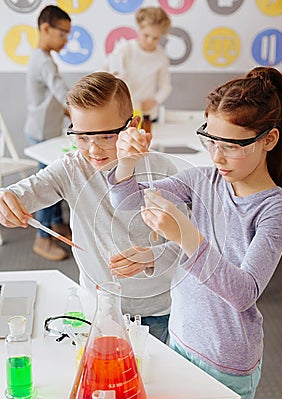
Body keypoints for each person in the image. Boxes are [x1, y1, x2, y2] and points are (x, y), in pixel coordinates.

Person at [108, 66, 282, 399]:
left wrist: (186, 235)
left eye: (231, 145)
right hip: (180, 342)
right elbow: (128, 199)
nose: (217, 156)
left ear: (269, 139)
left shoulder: (276, 209)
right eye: (210, 140)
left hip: (228, 363)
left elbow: (244, 292)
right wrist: (125, 160)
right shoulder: (202, 179)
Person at [0, 71, 181, 343]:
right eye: (82, 137)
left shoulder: (162, 171)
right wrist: (6, 198)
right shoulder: (73, 168)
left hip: (157, 310)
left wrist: (151, 256)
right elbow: (26, 192)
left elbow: (188, 244)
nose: (94, 150)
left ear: (132, 125)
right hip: (97, 306)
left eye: (107, 136)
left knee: (153, 381)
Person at [24, 5, 72, 261]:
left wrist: (66, 112)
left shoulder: (44, 57)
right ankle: (42, 239)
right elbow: (61, 91)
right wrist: (79, 109)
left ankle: (56, 225)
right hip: (43, 133)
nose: (65, 40)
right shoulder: (43, 61)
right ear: (45, 28)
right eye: (62, 33)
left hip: (48, 130)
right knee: (48, 185)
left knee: (54, 179)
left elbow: (51, 99)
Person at [104, 6, 172, 121]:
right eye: (146, 35)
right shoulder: (125, 49)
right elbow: (101, 72)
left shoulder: (161, 56)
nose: (150, 41)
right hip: (123, 113)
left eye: (155, 38)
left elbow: (166, 87)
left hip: (147, 114)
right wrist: (111, 76)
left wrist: (154, 101)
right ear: (139, 29)